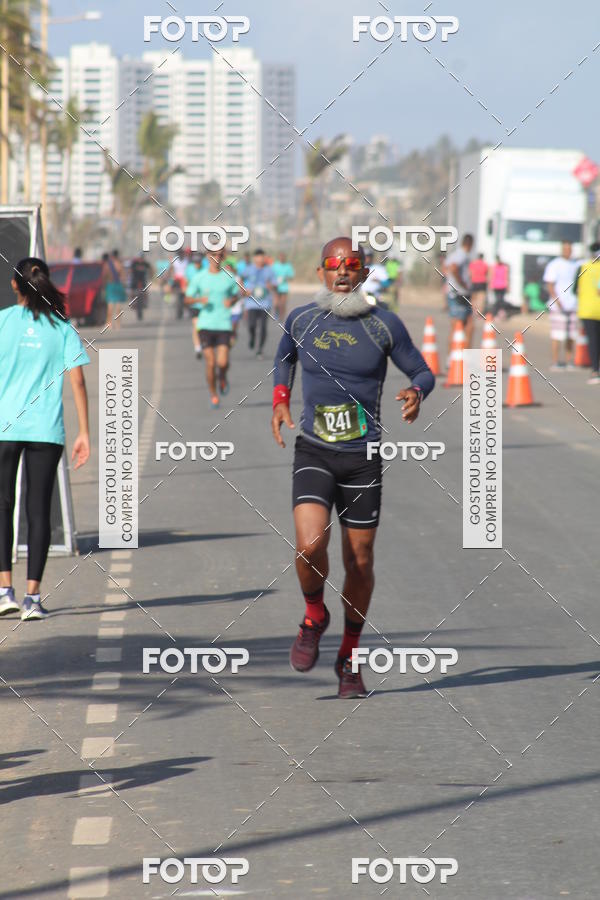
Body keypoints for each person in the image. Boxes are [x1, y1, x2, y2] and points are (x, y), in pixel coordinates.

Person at [271, 236, 435, 698]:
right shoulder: (301, 320)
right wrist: (280, 400)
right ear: (322, 272)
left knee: (358, 561)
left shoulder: (385, 325)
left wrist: (417, 392)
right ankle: (313, 614)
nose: (342, 271)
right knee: (309, 546)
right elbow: (283, 361)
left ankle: (349, 656)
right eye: (332, 265)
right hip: (315, 450)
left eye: (351, 265)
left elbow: (422, 371)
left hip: (363, 458)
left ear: (363, 273)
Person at [0, 258, 90, 620]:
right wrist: (84, 431)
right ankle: (32, 599)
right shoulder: (62, 328)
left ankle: (4, 591)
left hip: (4, 428)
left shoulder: (3, 321)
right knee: (37, 510)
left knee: (1, 506)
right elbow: (78, 382)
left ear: (14, 284)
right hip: (45, 430)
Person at [185, 247, 238, 408]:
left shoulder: (229, 277)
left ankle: (222, 376)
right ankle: (213, 394)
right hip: (205, 325)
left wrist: (232, 301)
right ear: (208, 257)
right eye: (213, 255)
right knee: (211, 362)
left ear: (223, 257)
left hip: (223, 324)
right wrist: (199, 300)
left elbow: (236, 294)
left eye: (220, 255)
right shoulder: (199, 277)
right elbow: (187, 299)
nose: (217, 258)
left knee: (222, 363)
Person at [543, 241, 580, 371]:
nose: (568, 251)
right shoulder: (554, 264)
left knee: (571, 335)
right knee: (557, 334)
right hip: (558, 305)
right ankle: (555, 361)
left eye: (569, 249)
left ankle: (569, 361)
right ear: (561, 250)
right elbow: (550, 284)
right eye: (565, 249)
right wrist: (556, 299)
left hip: (573, 305)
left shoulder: (576, 264)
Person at [574, 241, 600, 384]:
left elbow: (574, 290)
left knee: (593, 341)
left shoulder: (582, 267)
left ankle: (595, 370)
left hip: (587, 310)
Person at [243, 248, 276, 359]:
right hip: (251, 303)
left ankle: (260, 350)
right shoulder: (248, 269)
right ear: (254, 258)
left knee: (263, 327)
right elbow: (240, 279)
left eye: (262, 256)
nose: (260, 259)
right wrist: (244, 290)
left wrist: (270, 286)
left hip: (265, 303)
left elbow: (275, 284)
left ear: (264, 258)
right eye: (257, 256)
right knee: (251, 325)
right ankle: (252, 337)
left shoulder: (269, 270)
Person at [446, 233, 474, 350]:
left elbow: (446, 267)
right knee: (465, 326)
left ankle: (452, 360)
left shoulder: (455, 254)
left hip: (455, 293)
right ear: (470, 244)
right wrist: (462, 283)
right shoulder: (462, 255)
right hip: (459, 294)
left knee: (460, 326)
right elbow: (453, 268)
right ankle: (458, 359)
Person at [185, 254, 205, 358]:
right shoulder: (189, 269)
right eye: (195, 262)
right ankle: (197, 347)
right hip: (194, 303)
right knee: (197, 326)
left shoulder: (206, 269)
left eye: (199, 262)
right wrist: (186, 292)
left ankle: (203, 343)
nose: (197, 264)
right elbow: (186, 282)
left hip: (204, 304)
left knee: (204, 326)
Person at [103, 249, 127, 331]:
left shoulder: (107, 265)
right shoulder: (119, 264)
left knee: (110, 307)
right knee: (118, 307)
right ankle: (118, 324)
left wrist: (103, 287)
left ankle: (109, 324)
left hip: (110, 286)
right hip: (118, 286)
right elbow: (123, 276)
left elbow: (104, 276)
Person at [272, 252, 295, 320]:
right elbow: (271, 275)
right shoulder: (275, 265)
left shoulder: (288, 266)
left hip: (284, 287)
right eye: (280, 257)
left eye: (283, 257)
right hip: (276, 286)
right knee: (276, 304)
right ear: (279, 258)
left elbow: (291, 277)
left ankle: (282, 317)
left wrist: (285, 278)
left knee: (283, 303)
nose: (282, 258)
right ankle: (276, 312)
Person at [129, 254, 152, 321]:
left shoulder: (145, 264)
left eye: (142, 258)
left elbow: (151, 269)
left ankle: (145, 302)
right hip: (135, 281)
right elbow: (130, 271)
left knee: (145, 293)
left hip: (142, 281)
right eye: (140, 258)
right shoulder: (134, 263)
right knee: (132, 293)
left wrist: (150, 275)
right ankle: (132, 302)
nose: (141, 259)